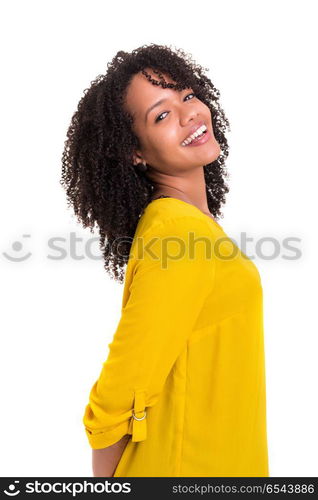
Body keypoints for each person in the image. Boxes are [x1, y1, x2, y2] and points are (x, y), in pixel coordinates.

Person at [60, 44, 269, 477]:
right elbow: (117, 396)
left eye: (187, 96)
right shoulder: (178, 233)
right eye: (161, 115)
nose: (189, 114)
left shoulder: (186, 226)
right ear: (134, 152)